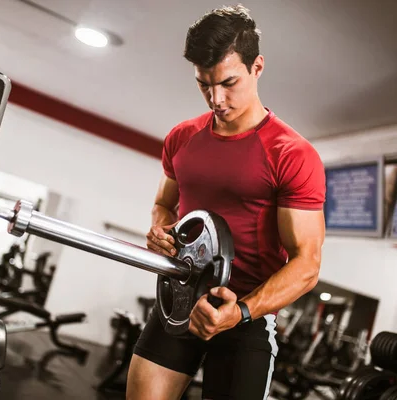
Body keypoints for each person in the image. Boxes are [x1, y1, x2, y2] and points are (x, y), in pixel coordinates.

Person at [126, 5, 326, 400]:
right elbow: (164, 203)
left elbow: (308, 264)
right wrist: (161, 228)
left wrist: (241, 312)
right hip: (180, 299)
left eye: (228, 83)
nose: (216, 98)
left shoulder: (292, 154)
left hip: (244, 317)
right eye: (204, 84)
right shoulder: (182, 138)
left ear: (258, 67)